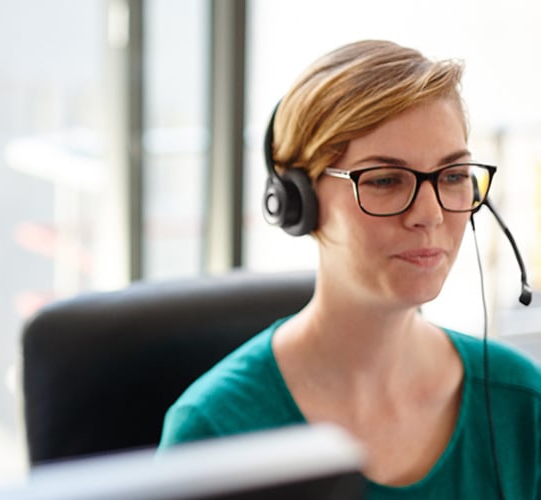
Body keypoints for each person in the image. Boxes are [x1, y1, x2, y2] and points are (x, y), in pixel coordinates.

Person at [159, 40, 541, 498]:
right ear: (299, 200)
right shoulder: (215, 429)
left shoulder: (521, 401)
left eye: (453, 176)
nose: (430, 214)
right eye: (383, 180)